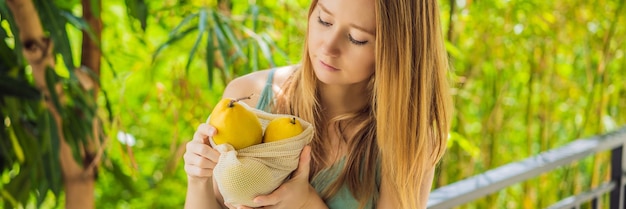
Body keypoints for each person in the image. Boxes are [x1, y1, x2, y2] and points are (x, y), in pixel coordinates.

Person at [183, 0, 453, 208]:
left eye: (357, 38)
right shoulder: (248, 97)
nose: (328, 47)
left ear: (398, 50)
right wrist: (198, 179)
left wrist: (308, 203)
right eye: (324, 20)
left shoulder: (407, 138)